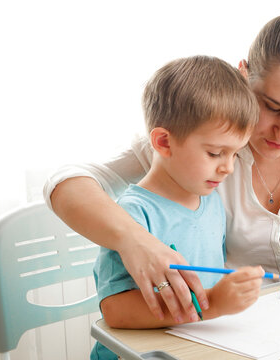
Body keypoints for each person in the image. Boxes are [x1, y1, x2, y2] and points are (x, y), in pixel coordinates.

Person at [44, 2, 280, 325]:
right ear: (243, 74)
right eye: (272, 107)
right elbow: (68, 180)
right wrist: (133, 240)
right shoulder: (202, 133)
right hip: (229, 329)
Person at [91, 55, 264, 359]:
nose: (228, 168)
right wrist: (211, 302)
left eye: (235, 154)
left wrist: (230, 292)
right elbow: (115, 311)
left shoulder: (209, 200)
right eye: (215, 153)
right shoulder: (133, 214)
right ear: (163, 142)